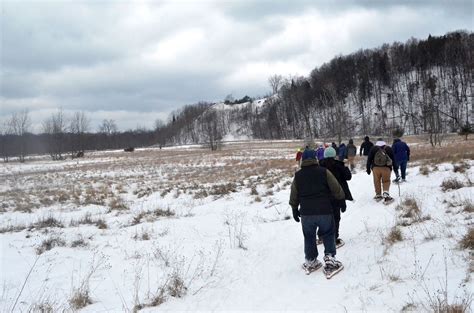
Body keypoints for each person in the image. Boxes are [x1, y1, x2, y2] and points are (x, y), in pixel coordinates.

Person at [289, 148, 345, 275]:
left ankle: (311, 260)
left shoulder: (298, 175)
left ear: (303, 160)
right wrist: (341, 199)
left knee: (309, 237)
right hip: (325, 210)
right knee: (328, 233)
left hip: (306, 214)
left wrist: (294, 208)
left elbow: (294, 193)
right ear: (315, 159)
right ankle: (330, 259)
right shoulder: (324, 172)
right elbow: (336, 188)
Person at [319, 147, 353, 247]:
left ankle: (321, 236)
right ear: (334, 155)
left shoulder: (319, 166)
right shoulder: (339, 165)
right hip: (337, 196)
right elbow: (348, 177)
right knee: (336, 217)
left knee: (322, 217)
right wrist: (346, 168)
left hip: (322, 196)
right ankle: (334, 238)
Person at [366, 138, 395, 203]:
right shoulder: (388, 148)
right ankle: (386, 195)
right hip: (386, 168)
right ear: (383, 142)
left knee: (376, 181)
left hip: (375, 168)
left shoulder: (373, 148)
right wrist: (395, 169)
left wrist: (368, 169)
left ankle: (378, 195)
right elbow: (393, 159)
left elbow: (369, 159)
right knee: (386, 181)